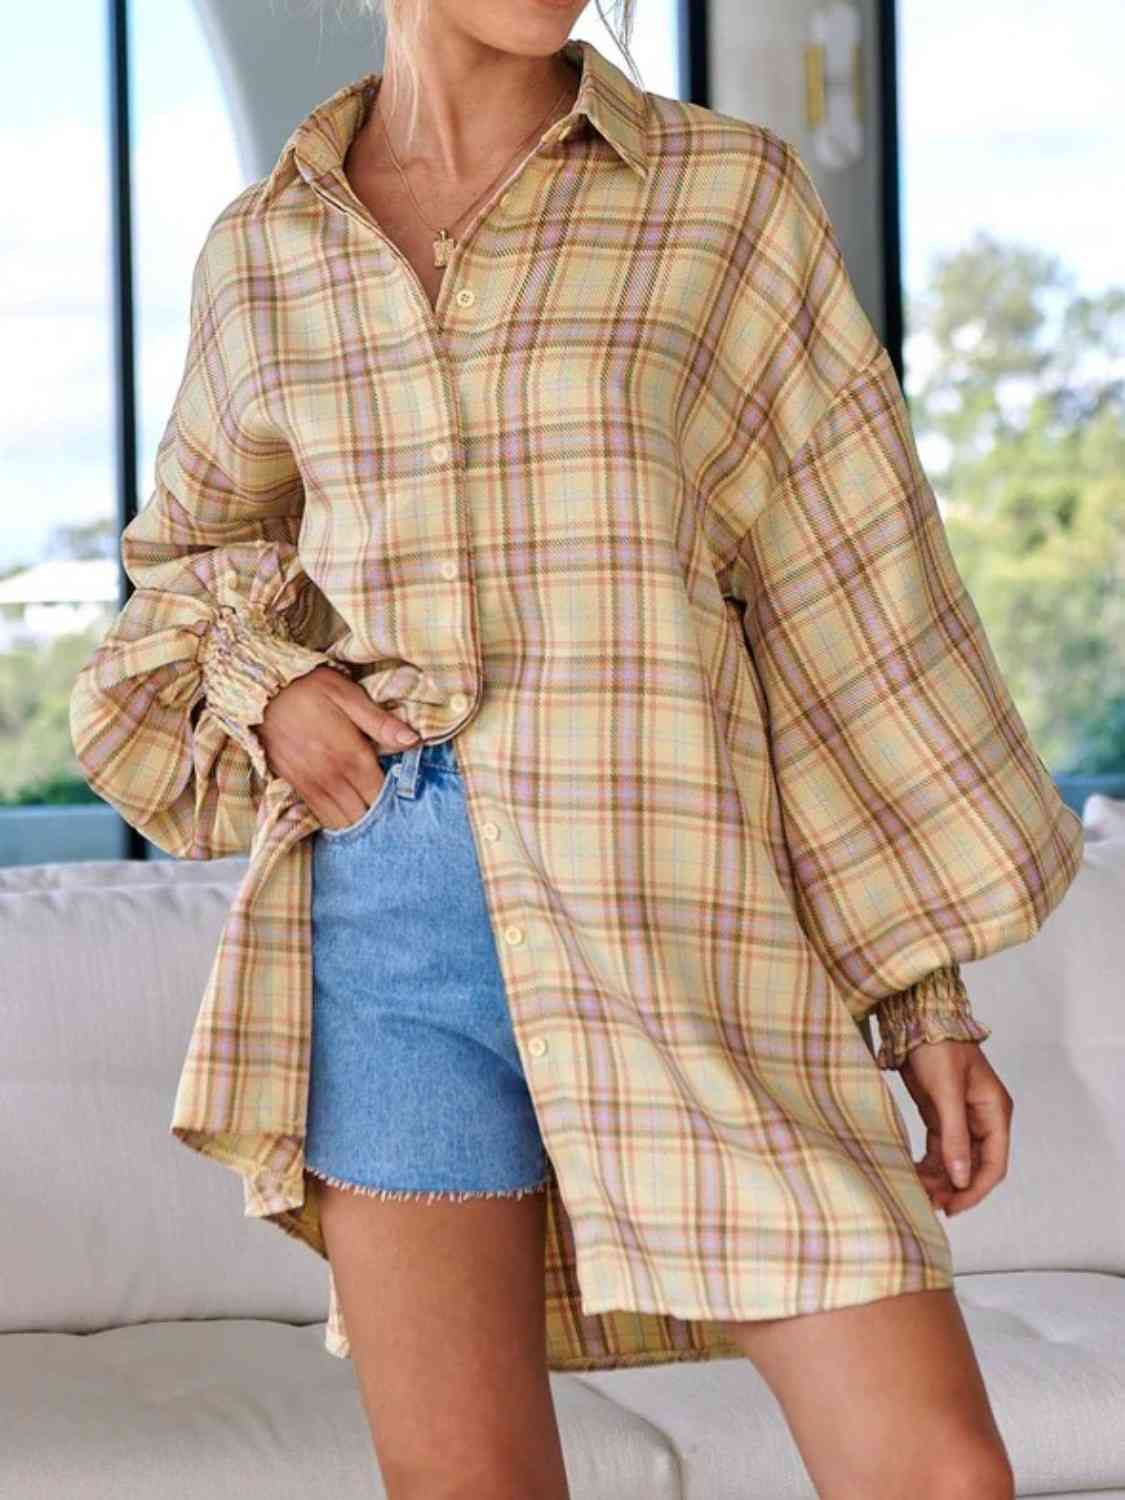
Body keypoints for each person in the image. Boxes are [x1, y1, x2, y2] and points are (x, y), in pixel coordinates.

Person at [70, 2, 1085, 1496]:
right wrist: (271, 684)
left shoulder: (721, 196)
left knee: (935, 1470)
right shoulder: (265, 250)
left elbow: (846, 599)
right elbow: (183, 571)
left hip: (683, 908)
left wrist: (921, 996)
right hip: (389, 922)